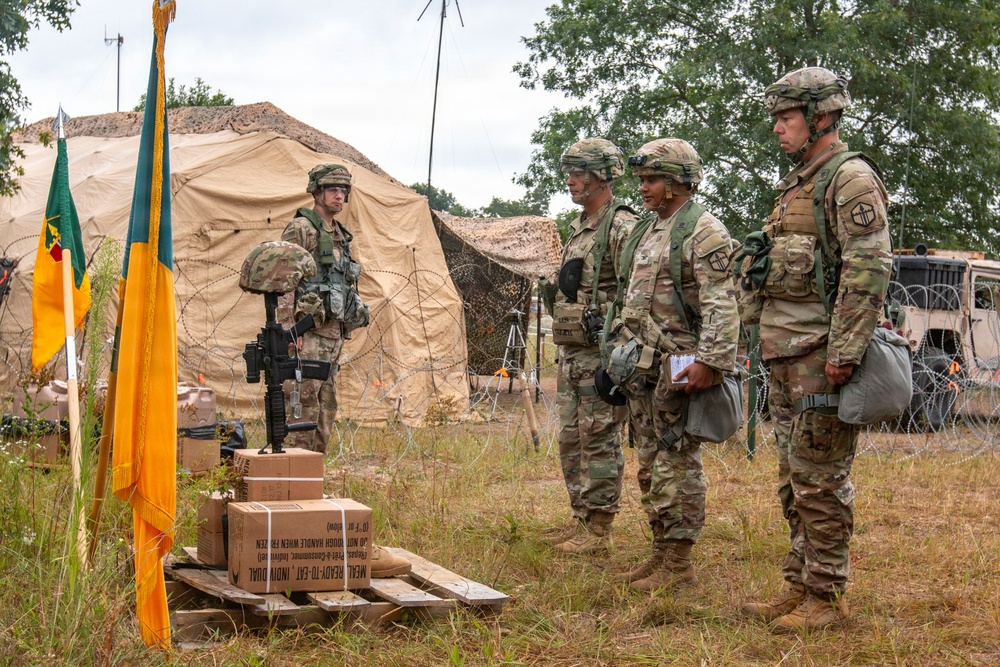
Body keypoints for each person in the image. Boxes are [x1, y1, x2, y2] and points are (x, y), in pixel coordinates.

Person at [736, 67, 892, 632]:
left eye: (787, 117)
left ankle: (826, 599)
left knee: (820, 478)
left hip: (822, 357)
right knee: (793, 476)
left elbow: (868, 269)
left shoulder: (847, 180)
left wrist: (844, 352)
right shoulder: (799, 183)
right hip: (787, 355)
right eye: (776, 118)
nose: (777, 128)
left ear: (820, 117)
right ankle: (799, 583)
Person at [606, 138, 739, 592]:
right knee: (649, 462)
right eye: (642, 179)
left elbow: (723, 303)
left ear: (679, 181)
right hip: (642, 369)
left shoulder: (703, 231)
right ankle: (661, 552)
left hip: (681, 366)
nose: (643, 188)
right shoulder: (648, 229)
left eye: (653, 179)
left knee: (677, 462)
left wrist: (710, 362)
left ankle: (680, 566)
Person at [543, 138, 637, 555]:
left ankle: (600, 527)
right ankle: (581, 516)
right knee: (571, 437)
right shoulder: (582, 226)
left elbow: (637, 293)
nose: (571, 181)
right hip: (573, 354)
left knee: (598, 436)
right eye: (570, 173)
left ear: (602, 176)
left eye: (578, 174)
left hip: (601, 356)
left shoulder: (620, 227)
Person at [279, 163, 369, 455]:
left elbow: (342, 283)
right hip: (308, 331)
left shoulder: (340, 234)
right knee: (302, 402)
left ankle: (312, 468)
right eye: (332, 189)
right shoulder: (302, 229)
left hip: (333, 332)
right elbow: (283, 280)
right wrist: (290, 330)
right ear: (316, 192)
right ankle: (292, 466)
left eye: (343, 190)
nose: (339, 196)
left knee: (326, 405)